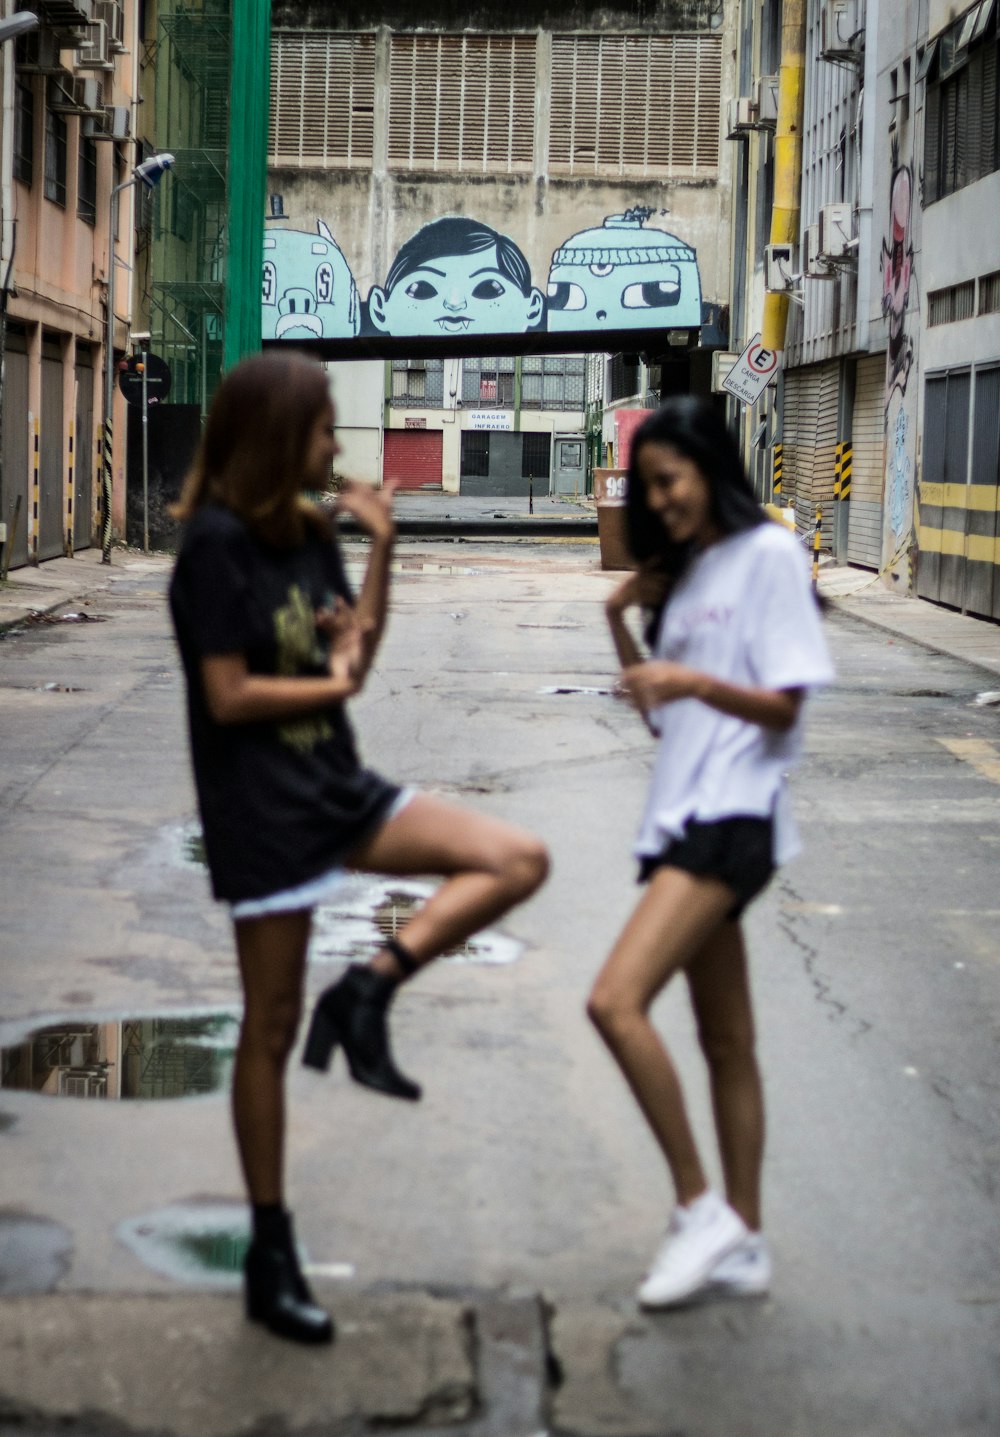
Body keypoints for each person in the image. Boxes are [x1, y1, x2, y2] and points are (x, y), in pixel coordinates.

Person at [168, 351, 548, 1345]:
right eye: (327, 425)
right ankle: (270, 1248)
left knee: (513, 858)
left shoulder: (307, 534)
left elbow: (357, 657)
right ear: (279, 435)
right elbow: (229, 696)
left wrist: (377, 551)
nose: (340, 445)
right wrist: (332, 684)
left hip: (337, 784)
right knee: (268, 1023)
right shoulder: (214, 548)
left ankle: (368, 990)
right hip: (261, 810)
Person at [588, 397, 833, 1309]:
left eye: (669, 482)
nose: (661, 502)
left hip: (733, 817)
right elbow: (662, 717)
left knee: (614, 1001)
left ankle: (701, 1208)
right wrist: (623, 614)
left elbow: (786, 706)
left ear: (710, 468)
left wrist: (690, 674)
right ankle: (748, 1243)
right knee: (727, 1040)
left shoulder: (768, 555)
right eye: (648, 491)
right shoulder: (687, 573)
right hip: (682, 814)